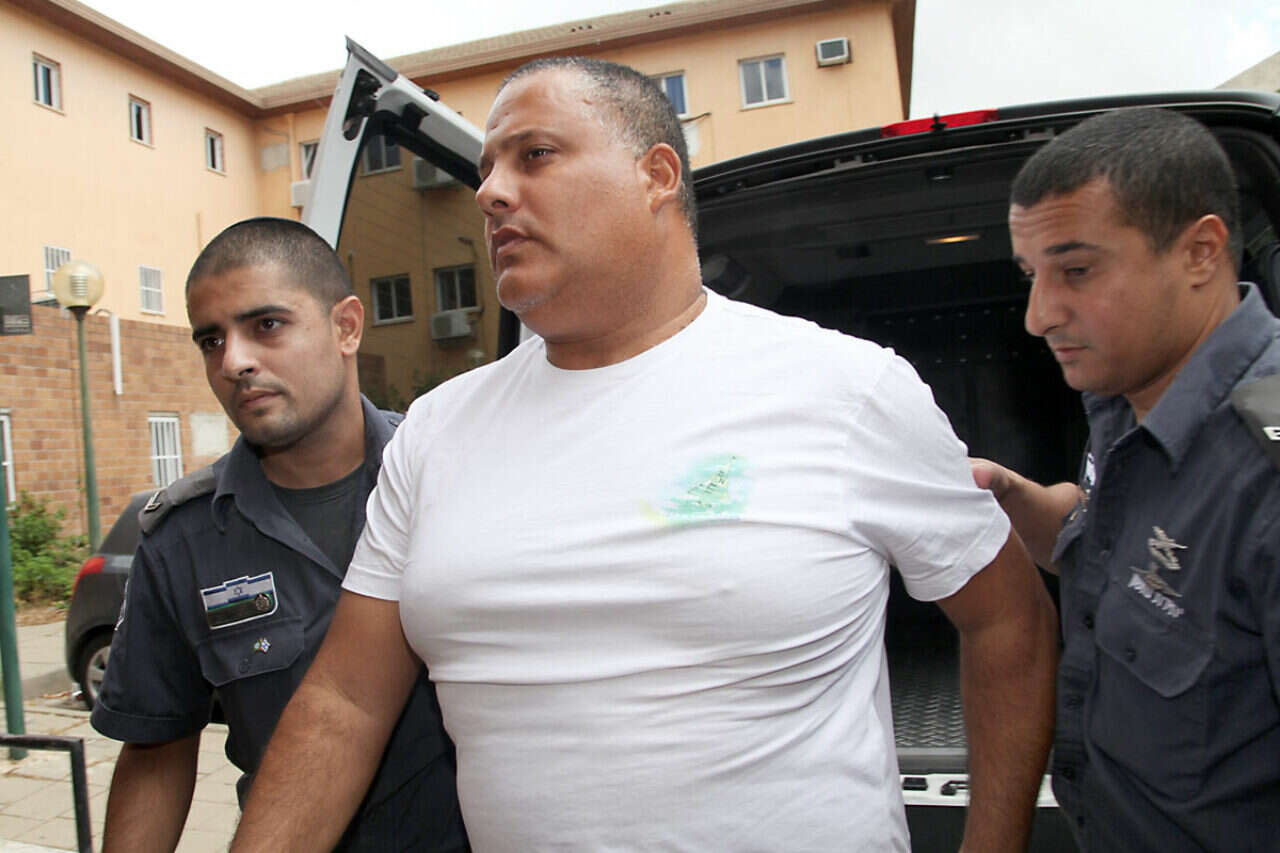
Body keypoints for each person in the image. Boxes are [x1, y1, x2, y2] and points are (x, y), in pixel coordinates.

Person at [230, 59, 1058, 853]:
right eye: (485, 170)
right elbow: (344, 701)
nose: (490, 192)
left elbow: (1009, 621)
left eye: (535, 155)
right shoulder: (436, 430)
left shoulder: (849, 389)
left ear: (657, 175)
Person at [90, 218, 468, 852]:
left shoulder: (453, 475)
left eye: (266, 325)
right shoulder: (183, 539)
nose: (233, 361)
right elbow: (156, 749)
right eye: (211, 340)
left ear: (346, 327)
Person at [971, 107, 1280, 851]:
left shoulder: (1262, 473)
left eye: (1077, 270)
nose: (1039, 316)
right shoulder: (1129, 396)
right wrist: (1012, 498)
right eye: (1032, 275)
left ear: (1200, 251)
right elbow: (1117, 544)